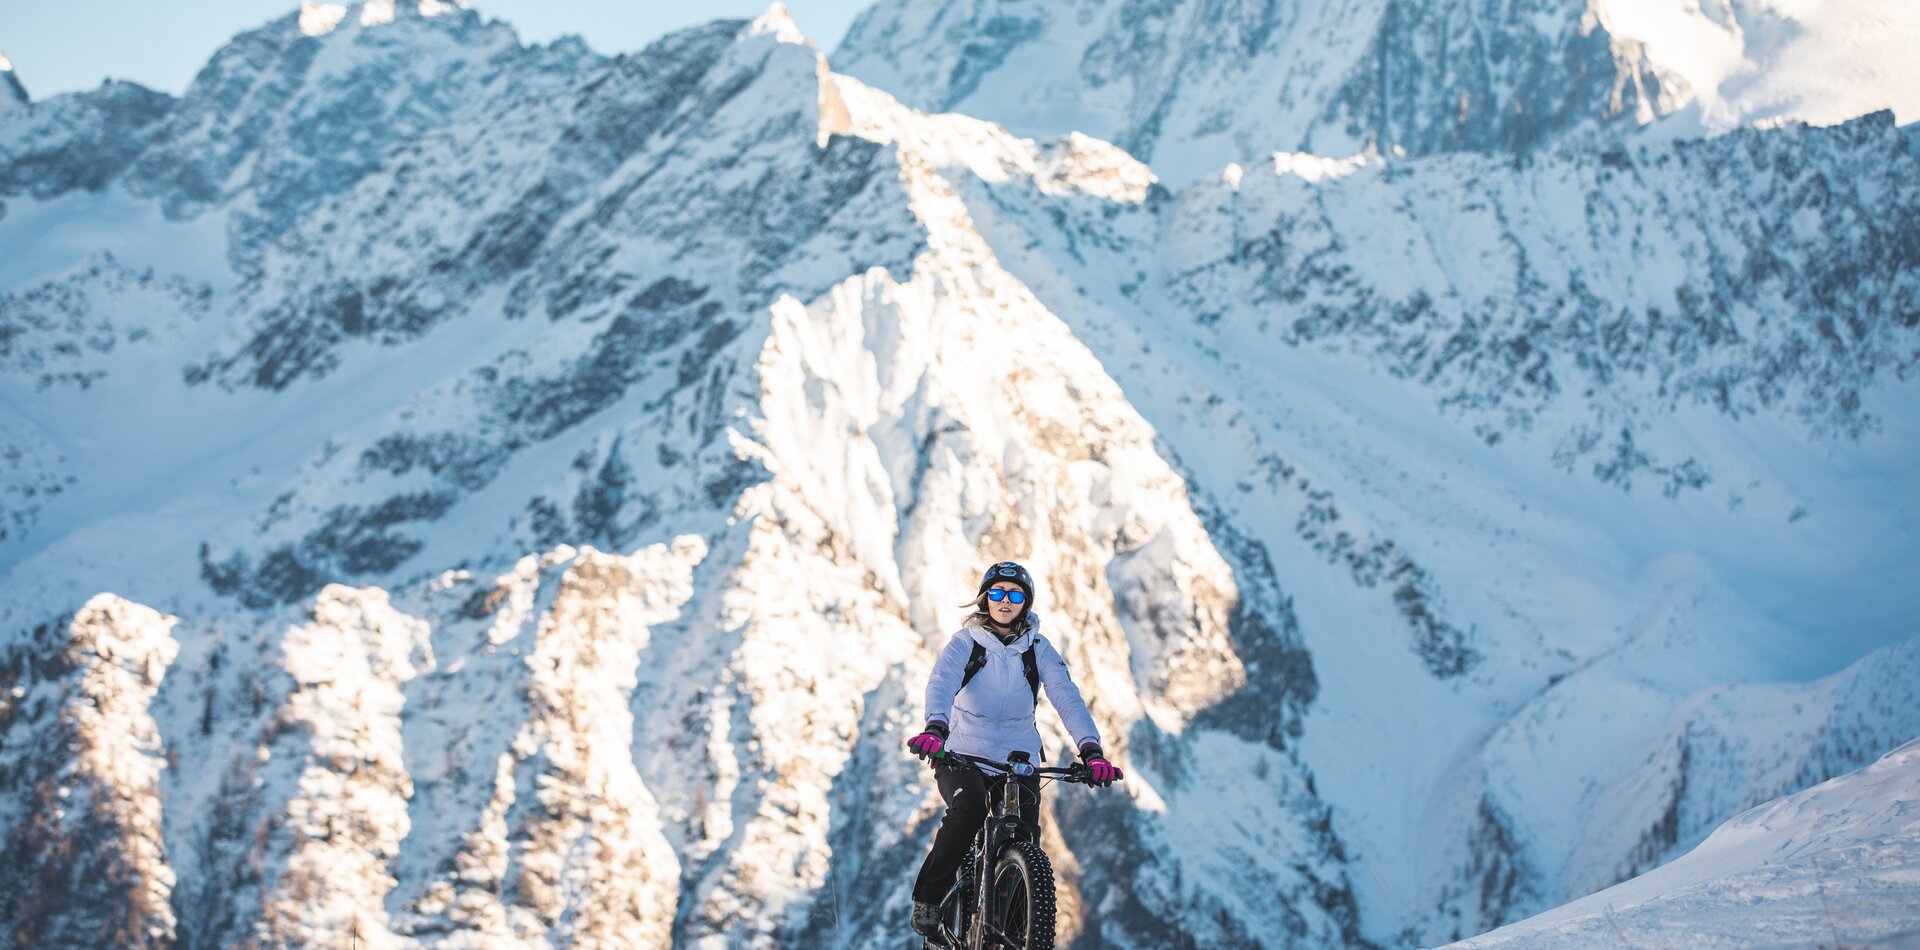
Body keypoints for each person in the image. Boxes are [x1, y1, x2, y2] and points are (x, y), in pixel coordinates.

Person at [904, 561, 1123, 936]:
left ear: (1026, 602)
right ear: (984, 598)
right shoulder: (966, 644)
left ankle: (1019, 936)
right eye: (997, 593)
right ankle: (929, 898)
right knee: (969, 807)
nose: (1005, 601)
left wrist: (1092, 751)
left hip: (1017, 759)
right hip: (961, 755)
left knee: (1023, 836)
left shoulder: (1037, 649)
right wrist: (936, 730)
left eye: (1015, 594)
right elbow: (941, 683)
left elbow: (1066, 697)